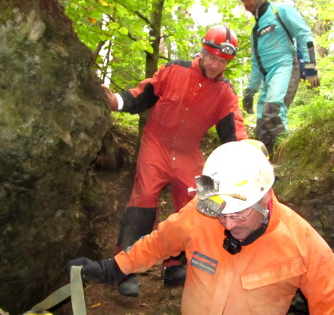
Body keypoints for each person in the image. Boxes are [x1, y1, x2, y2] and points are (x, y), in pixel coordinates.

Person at [67, 140, 334, 314]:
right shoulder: (200, 215)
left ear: (265, 197)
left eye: (238, 215)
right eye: (220, 213)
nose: (227, 224)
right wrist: (112, 269)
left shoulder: (303, 243)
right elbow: (158, 244)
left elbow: (332, 306)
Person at [102, 25, 248, 296]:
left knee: (196, 202)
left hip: (188, 152)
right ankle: (125, 267)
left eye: (223, 61)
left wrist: (247, 154)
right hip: (156, 143)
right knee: (144, 196)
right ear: (203, 52)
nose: (216, 65)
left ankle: (175, 265)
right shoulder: (175, 70)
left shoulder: (225, 92)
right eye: (213, 57)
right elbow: (143, 94)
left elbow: (234, 130)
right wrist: (115, 102)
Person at [235, 0, 320, 156]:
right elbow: (257, 64)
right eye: (243, 1)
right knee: (262, 122)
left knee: (273, 111)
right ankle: (269, 164)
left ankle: (287, 158)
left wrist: (311, 68)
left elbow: (304, 36)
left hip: (287, 66)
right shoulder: (256, 31)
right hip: (269, 78)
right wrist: (250, 91)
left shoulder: (280, 11)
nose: (246, 4)